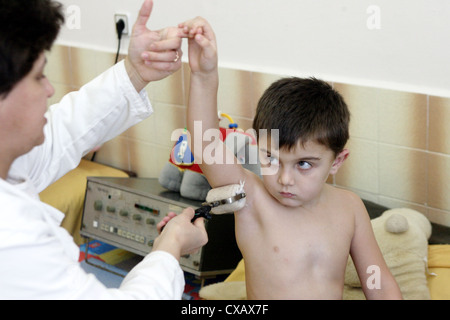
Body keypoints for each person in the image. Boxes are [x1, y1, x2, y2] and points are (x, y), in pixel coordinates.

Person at [180, 17, 403, 299]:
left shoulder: (349, 208)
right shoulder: (251, 199)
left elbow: (378, 282)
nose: (285, 179)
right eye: (271, 159)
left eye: (304, 164)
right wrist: (203, 76)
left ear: (337, 161)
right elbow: (205, 144)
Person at [0, 0, 207, 299]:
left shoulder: (11, 161)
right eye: (38, 76)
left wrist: (136, 72)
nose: (49, 89)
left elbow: (64, 131)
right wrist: (170, 246)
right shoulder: (13, 238)